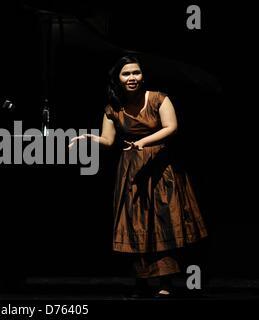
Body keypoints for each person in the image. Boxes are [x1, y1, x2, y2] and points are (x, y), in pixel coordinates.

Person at [69, 55, 208, 297]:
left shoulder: (158, 98)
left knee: (164, 220)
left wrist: (142, 142)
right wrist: (89, 139)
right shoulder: (113, 107)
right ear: (118, 79)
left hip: (162, 168)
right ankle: (141, 282)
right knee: (136, 223)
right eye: (126, 74)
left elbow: (170, 127)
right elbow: (108, 141)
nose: (132, 77)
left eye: (136, 72)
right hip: (132, 170)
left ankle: (165, 283)